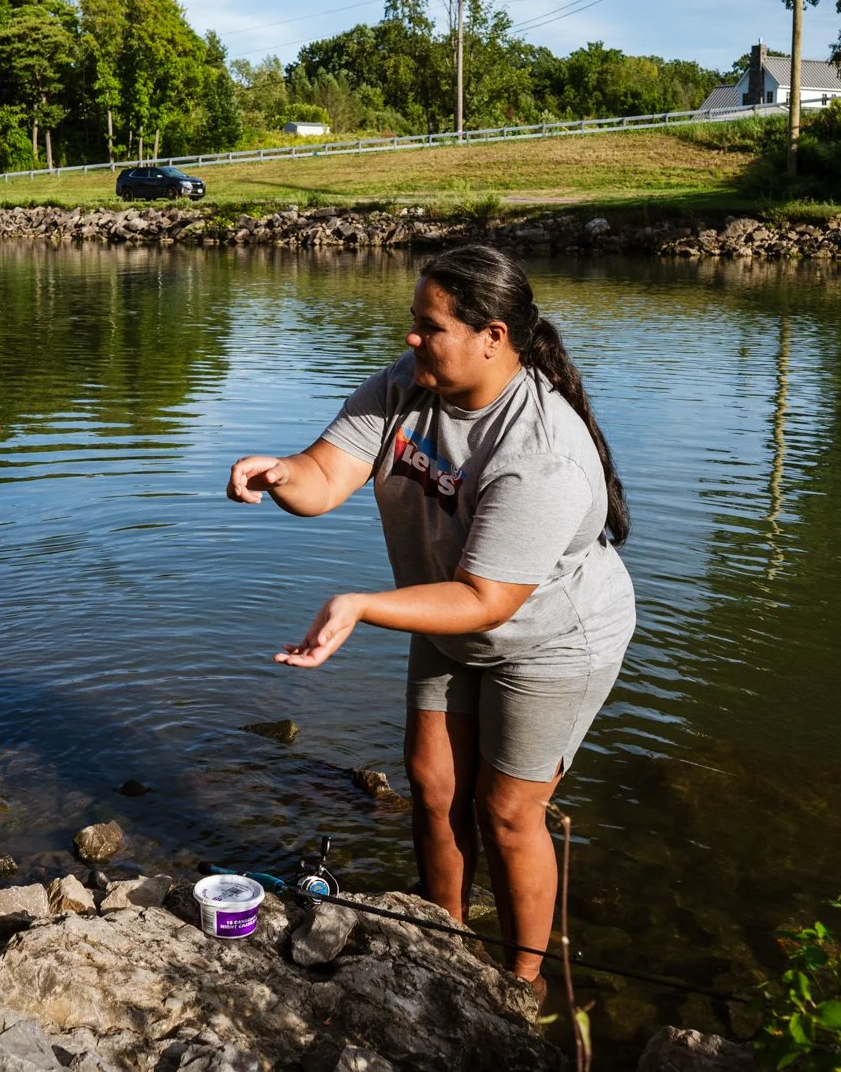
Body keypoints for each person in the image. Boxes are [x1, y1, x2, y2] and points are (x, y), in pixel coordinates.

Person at [225, 244, 634, 993]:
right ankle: (444, 941)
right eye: (413, 321)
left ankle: (523, 985)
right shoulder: (408, 386)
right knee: (432, 779)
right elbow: (323, 477)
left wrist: (359, 604)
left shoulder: (539, 448)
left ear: (494, 337)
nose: (412, 338)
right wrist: (280, 471)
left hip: (550, 639)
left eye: (430, 325)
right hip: (448, 610)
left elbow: (487, 599)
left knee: (508, 809)